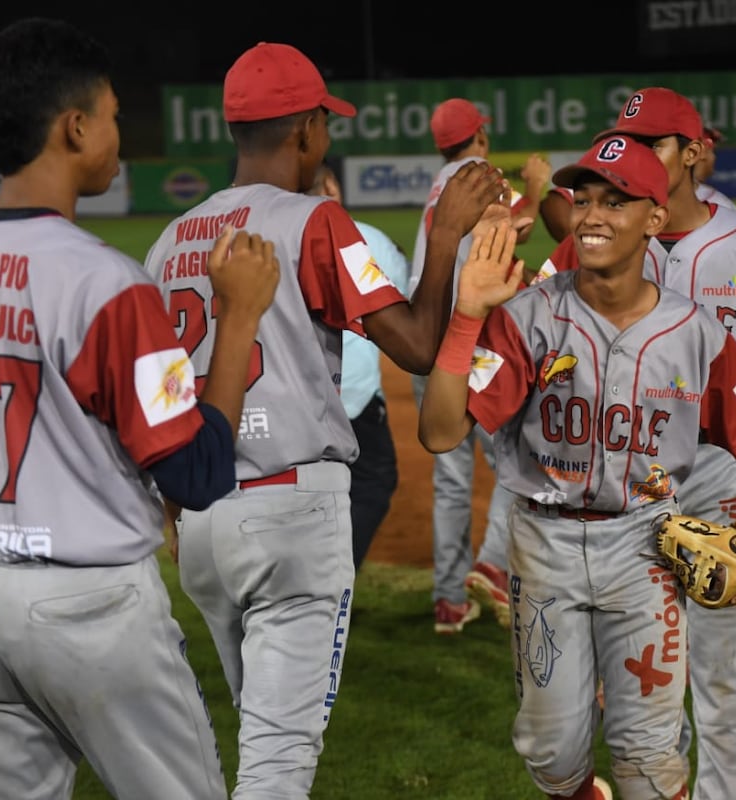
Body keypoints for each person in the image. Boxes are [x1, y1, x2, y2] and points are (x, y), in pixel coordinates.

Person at [143, 44, 504, 798]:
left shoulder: (168, 240)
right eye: (324, 126)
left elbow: (163, 402)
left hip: (201, 519)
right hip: (292, 514)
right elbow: (413, 345)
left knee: (258, 735)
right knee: (278, 761)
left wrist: (176, 516)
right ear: (307, 129)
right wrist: (441, 242)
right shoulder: (316, 221)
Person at [417, 135, 736, 800]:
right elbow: (439, 430)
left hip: (647, 546)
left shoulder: (695, 332)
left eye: (616, 201)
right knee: (549, 752)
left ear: (654, 219)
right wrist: (467, 318)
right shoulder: (529, 316)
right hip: (542, 543)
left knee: (649, 758)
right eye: (584, 199)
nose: (592, 215)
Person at [0, 18, 280, 800]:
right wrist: (237, 319)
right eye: (109, 116)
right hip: (88, 604)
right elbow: (197, 472)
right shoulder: (104, 283)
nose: (116, 132)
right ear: (73, 128)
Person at [537, 87, 736, 800]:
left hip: (716, 476)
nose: (634, 157)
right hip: (619, 485)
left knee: (722, 669)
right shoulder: (593, 238)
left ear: (696, 152)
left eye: (652, 143)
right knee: (641, 677)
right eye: (625, 142)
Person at [409, 97, 550, 633]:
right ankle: (491, 562)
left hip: (425, 339)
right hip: (468, 342)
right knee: (522, 460)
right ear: (480, 138)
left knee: (450, 477)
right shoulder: (478, 175)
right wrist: (535, 185)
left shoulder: (439, 184)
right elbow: (518, 228)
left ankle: (448, 599)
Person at [309, 163, 410, 569]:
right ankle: (334, 577)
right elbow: (407, 320)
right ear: (331, 184)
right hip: (353, 396)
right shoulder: (367, 238)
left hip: (285, 403)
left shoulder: (265, 236)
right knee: (372, 480)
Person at [692, 125, 736, 211]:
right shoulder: (720, 204)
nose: (714, 157)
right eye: (713, 152)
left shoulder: (664, 196)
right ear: (702, 152)